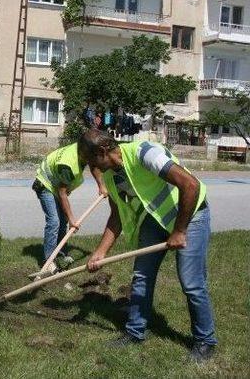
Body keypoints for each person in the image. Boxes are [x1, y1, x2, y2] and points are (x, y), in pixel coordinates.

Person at [79, 129, 216, 362]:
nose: (91, 168)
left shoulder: (145, 153)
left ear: (102, 152)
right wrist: (99, 253)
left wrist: (179, 230)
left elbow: (190, 185)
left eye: (91, 161)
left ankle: (205, 341)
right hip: (157, 218)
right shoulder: (112, 176)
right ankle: (135, 332)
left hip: (190, 216)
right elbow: (116, 217)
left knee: (191, 283)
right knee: (142, 276)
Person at [33, 142, 107, 277]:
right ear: (85, 154)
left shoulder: (84, 150)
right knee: (54, 221)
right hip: (45, 184)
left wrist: (101, 185)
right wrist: (72, 219)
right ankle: (48, 260)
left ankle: (60, 252)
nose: (94, 160)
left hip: (56, 185)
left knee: (63, 221)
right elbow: (62, 193)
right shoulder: (69, 164)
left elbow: (93, 165)